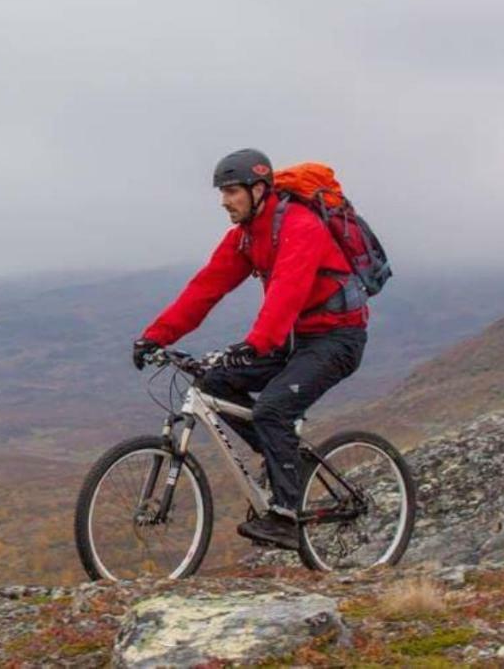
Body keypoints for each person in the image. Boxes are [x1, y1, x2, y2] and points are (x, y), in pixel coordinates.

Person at [131, 148, 368, 550]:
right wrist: (157, 336)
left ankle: (287, 517)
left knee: (273, 408)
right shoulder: (245, 237)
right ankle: (283, 459)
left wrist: (255, 345)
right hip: (292, 337)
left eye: (231, 192)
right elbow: (206, 288)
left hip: (336, 338)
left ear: (259, 190)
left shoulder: (300, 225)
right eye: (222, 193)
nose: (224, 201)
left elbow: (286, 294)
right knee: (214, 382)